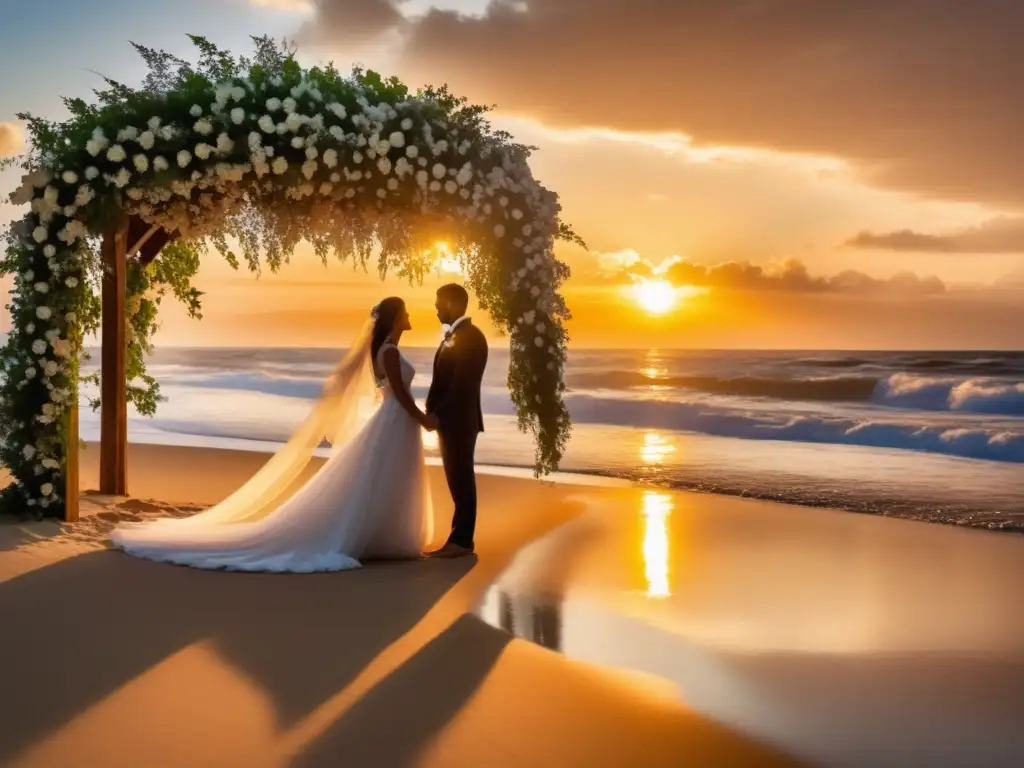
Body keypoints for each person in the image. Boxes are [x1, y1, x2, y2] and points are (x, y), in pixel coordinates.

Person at [109, 297, 434, 572]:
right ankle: (375, 535)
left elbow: (384, 390)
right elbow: (400, 394)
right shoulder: (389, 352)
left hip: (392, 419)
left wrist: (405, 412)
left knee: (387, 478)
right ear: (395, 318)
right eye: (404, 313)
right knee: (384, 477)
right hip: (395, 418)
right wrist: (421, 418)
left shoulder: (385, 350)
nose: (409, 318)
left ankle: (382, 535)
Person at [424, 283, 488, 559]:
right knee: (456, 478)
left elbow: (462, 385)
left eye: (439, 302)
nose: (436, 307)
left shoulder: (471, 338)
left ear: (451, 302)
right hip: (451, 420)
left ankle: (462, 540)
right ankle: (458, 537)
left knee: (461, 477)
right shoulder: (456, 335)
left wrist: (436, 415)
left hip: (459, 420)